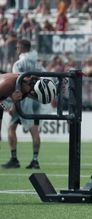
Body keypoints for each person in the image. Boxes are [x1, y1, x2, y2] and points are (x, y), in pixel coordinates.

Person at [1, 39, 55, 169]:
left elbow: (16, 84)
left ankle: (14, 159)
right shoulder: (37, 63)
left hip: (21, 99)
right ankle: (35, 160)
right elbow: (47, 80)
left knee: (11, 128)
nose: (16, 50)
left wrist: (9, 103)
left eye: (17, 47)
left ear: (22, 48)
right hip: (36, 98)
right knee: (35, 130)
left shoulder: (19, 63)